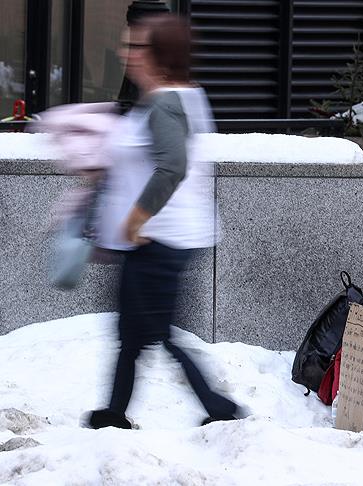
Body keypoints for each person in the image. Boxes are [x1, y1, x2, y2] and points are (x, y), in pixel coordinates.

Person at [86, 14, 239, 429]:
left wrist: (136, 219)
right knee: (136, 335)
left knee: (154, 335)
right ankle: (115, 414)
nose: (125, 54)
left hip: (158, 240)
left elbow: (173, 166)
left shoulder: (166, 102)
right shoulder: (172, 97)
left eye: (135, 47)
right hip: (159, 240)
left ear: (160, 56)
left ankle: (220, 410)